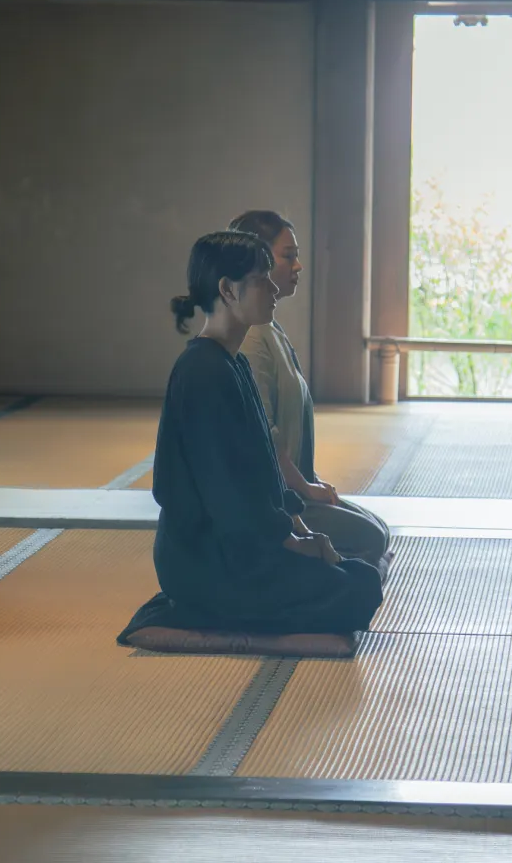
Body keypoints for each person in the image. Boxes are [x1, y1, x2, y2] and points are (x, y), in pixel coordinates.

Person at [117, 231, 383, 646]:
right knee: (356, 589)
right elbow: (227, 496)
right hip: (209, 558)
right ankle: (199, 616)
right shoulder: (204, 373)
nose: (275, 287)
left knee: (361, 576)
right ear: (228, 289)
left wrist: (301, 530)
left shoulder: (232, 363)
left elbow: (262, 471)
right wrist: (293, 544)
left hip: (241, 546)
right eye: (263, 279)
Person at [227, 210, 394, 575]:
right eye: (288, 256)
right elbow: (264, 436)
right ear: (258, 260)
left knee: (378, 531)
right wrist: (303, 486)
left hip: (294, 490)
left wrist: (311, 482)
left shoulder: (270, 327)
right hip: (272, 501)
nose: (298, 266)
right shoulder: (251, 337)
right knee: (370, 540)